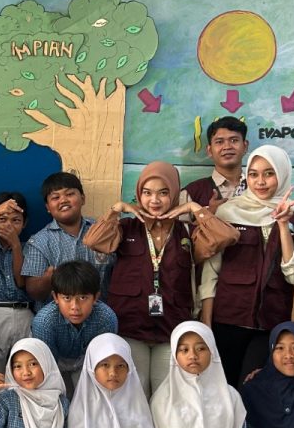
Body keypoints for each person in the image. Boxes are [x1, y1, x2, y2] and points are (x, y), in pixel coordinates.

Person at [83, 161, 237, 394]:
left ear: (174, 194)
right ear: (139, 195)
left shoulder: (186, 232)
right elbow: (92, 241)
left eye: (163, 193)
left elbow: (227, 236)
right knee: (132, 395)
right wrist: (116, 209)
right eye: (147, 193)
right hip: (130, 328)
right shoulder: (126, 227)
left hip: (171, 331)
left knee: (167, 396)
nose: (154, 200)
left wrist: (193, 208)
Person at [200, 145, 294, 386]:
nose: (260, 182)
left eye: (269, 174)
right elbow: (211, 272)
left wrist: (283, 226)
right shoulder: (227, 212)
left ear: (282, 174)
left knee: (254, 388)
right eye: (253, 174)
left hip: (271, 323)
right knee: (223, 388)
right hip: (226, 319)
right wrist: (207, 322)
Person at [22, 172, 115, 304]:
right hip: (56, 315)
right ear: (47, 207)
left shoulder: (102, 231)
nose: (63, 200)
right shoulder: (38, 242)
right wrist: (49, 278)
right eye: (55, 197)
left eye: (70, 194)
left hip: (101, 312)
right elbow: (34, 292)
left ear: (83, 198)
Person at [30, 260, 118, 391]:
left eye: (83, 298)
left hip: (88, 364)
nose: (75, 307)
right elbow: (47, 368)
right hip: (54, 364)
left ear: (95, 297)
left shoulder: (106, 318)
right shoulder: (44, 322)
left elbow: (104, 363)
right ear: (55, 297)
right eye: (67, 298)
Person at [0, 192, 34, 372]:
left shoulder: (30, 246)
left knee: (24, 367)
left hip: (24, 312)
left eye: (16, 220)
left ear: (25, 223)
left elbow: (21, 282)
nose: (9, 225)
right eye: (2, 219)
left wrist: (16, 246)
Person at [182, 116, 250, 211]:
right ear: (209, 150)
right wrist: (209, 214)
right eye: (219, 142)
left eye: (234, 140)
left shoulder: (260, 187)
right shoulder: (191, 193)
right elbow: (178, 221)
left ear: (245, 146)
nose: (227, 147)